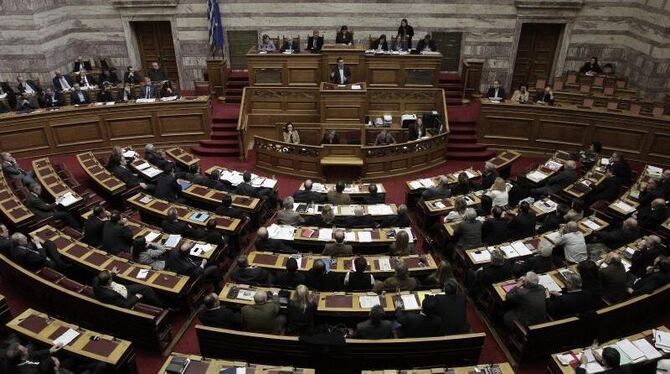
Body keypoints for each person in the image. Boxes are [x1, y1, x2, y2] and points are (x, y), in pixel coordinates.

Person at [93, 270, 165, 308]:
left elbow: (102, 277)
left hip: (121, 288)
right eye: (110, 274)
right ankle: (162, 306)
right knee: (146, 289)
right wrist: (137, 296)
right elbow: (126, 304)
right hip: (125, 295)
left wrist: (113, 274)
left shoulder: (96, 281)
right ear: (109, 280)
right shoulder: (112, 295)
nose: (111, 273)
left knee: (144, 288)